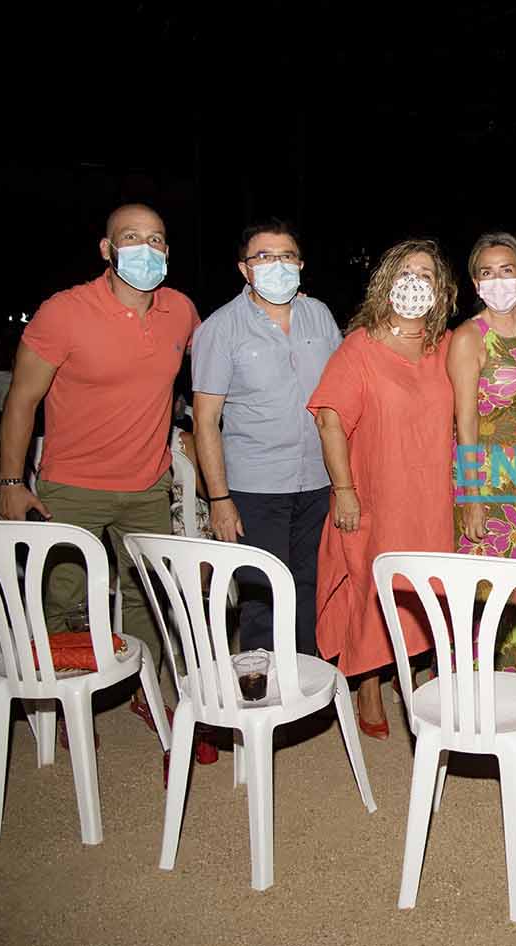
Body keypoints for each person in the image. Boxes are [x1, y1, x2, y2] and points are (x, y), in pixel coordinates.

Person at [0, 203, 200, 743]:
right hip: (72, 486)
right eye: (131, 238)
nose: (146, 249)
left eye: (156, 239)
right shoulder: (64, 312)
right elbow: (21, 400)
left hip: (149, 485)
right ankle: (64, 697)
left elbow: (206, 367)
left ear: (167, 250)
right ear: (106, 249)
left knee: (145, 596)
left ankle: (143, 691)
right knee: (62, 597)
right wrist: (11, 483)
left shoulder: (180, 310)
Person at [308, 239, 457, 738]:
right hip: (378, 491)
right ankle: (368, 681)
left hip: (433, 497)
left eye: (426, 275)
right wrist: (344, 489)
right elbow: (330, 419)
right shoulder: (361, 346)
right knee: (371, 584)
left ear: (441, 289)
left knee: (426, 586)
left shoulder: (446, 346)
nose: (415, 282)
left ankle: (411, 666)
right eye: (406, 272)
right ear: (387, 281)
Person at [192, 219, 343, 655]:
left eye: (286, 256)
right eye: (264, 257)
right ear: (244, 268)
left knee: (311, 588)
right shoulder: (221, 328)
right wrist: (219, 499)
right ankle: (265, 687)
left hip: (317, 480)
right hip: (255, 487)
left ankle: (308, 679)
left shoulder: (319, 315)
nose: (277, 265)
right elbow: (205, 421)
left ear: (301, 264)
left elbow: (341, 393)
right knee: (262, 596)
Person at [448, 232, 516, 674]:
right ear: (476, 284)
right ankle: (473, 690)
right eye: (487, 273)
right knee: (487, 592)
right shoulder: (468, 338)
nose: (498, 281)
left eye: (506, 270)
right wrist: (472, 497)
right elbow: (465, 423)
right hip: (490, 479)